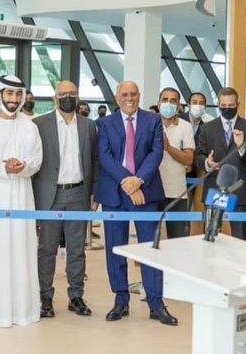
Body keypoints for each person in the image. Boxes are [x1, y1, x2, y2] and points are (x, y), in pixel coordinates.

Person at [96, 80, 176, 326]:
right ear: (117, 97)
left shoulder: (152, 120)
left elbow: (156, 152)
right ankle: (120, 300)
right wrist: (127, 182)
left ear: (139, 96)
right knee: (115, 248)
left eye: (133, 94)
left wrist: (138, 180)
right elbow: (104, 156)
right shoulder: (104, 123)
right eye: (124, 94)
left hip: (146, 193)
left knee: (150, 249)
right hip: (115, 194)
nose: (129, 98)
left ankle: (156, 303)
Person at [0, 76, 43, 327]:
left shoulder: (30, 126)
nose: (13, 100)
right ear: (0, 95)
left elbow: (37, 160)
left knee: (23, 250)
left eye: (17, 95)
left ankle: (24, 312)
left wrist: (22, 166)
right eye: (8, 94)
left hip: (23, 196)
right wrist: (4, 168)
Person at [31, 81, 95, 319]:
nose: (68, 97)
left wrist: (93, 192)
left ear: (77, 97)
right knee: (46, 249)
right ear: (54, 98)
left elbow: (94, 161)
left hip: (78, 193)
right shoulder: (39, 124)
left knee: (77, 249)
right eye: (63, 94)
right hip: (50, 194)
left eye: (72, 94)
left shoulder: (89, 126)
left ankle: (76, 296)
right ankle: (45, 297)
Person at [194, 87, 246, 240]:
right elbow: (198, 155)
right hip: (214, 186)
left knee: (240, 238)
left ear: (238, 104)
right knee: (210, 236)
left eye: (231, 106)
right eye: (223, 105)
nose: (227, 109)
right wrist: (207, 162)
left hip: (240, 189)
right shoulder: (207, 128)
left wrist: (241, 147)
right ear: (218, 104)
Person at [157, 87, 195, 239]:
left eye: (173, 100)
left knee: (177, 239)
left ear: (179, 105)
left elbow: (188, 159)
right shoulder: (149, 124)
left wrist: (169, 148)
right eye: (165, 100)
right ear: (158, 103)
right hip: (152, 190)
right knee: (148, 239)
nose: (168, 103)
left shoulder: (185, 127)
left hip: (177, 192)